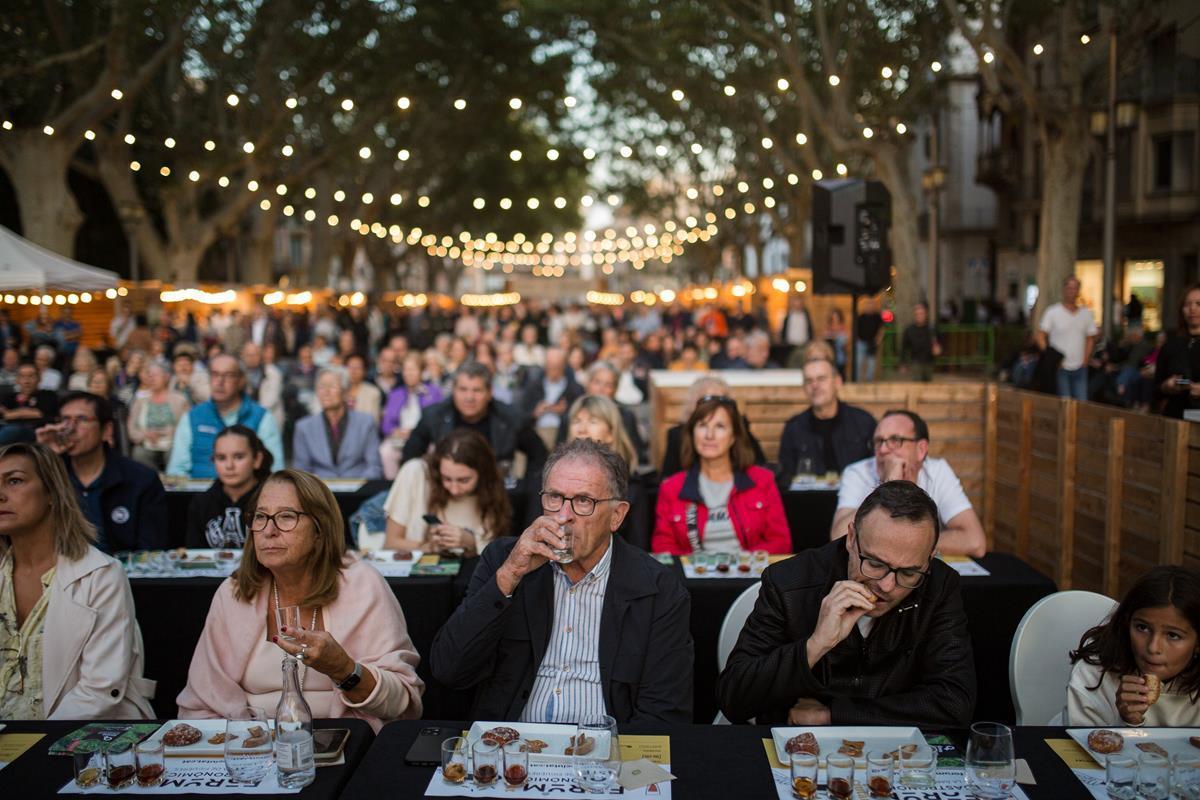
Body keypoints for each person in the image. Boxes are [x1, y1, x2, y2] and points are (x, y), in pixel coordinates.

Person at [430, 438, 693, 723]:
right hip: (515, 748)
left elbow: (665, 713)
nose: (564, 516)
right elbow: (449, 670)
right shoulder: (504, 561)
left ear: (616, 516)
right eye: (554, 497)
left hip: (605, 752)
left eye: (584, 501)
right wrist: (508, 577)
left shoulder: (658, 589)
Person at [176, 469, 424, 731]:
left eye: (286, 517)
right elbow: (202, 703)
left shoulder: (362, 586)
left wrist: (344, 669)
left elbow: (402, 703)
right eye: (260, 517)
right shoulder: (234, 593)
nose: (268, 530)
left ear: (320, 529)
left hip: (347, 748)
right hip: (253, 749)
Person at [718, 481, 976, 726]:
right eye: (874, 564)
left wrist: (832, 715)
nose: (886, 586)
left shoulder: (939, 586)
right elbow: (734, 698)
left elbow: (955, 703)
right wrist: (815, 645)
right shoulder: (789, 582)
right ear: (851, 538)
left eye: (908, 573)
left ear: (930, 558)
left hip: (896, 755)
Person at [0, 442, 155, 719]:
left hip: (71, 743)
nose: (1, 494)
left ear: (52, 492)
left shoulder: (101, 574)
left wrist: (31, 745)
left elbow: (99, 690)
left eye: (14, 481)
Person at [830, 410, 987, 558]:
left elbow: (975, 542)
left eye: (895, 440)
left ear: (921, 449)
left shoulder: (937, 471)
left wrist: (912, 548)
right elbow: (839, 538)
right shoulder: (857, 472)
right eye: (879, 441)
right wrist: (887, 485)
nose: (883, 449)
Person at [653, 395, 789, 555]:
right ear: (692, 433)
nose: (709, 435)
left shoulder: (762, 480)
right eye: (702, 425)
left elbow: (781, 542)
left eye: (720, 426)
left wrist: (743, 562)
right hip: (692, 577)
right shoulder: (671, 488)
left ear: (733, 437)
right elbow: (662, 547)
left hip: (751, 576)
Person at [1066, 565, 1200, 726]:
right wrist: (1128, 722)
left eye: (1173, 635)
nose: (1153, 647)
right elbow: (1079, 746)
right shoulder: (1094, 674)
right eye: (1142, 628)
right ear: (1126, 623)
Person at [35, 392, 168, 553]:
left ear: (106, 430)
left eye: (81, 419)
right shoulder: (48, 475)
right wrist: (42, 456)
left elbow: (150, 549)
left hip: (119, 574)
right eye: (65, 420)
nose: (69, 429)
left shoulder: (140, 479)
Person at [400, 361, 548, 481]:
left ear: (489, 393)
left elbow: (539, 455)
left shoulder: (509, 417)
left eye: (477, 390)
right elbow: (410, 455)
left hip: (494, 494)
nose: (469, 398)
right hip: (447, 491)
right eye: (463, 389)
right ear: (454, 391)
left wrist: (528, 488)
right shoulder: (434, 415)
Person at [383, 429, 511, 556]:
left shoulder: (491, 490)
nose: (454, 490)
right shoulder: (415, 472)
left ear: (482, 473)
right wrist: (429, 547)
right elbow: (391, 543)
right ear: (438, 471)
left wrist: (471, 542)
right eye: (447, 479)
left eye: (464, 480)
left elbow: (496, 551)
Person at [166, 355, 285, 479]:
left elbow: (275, 472)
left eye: (228, 375)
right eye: (215, 374)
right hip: (199, 494)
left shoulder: (262, 418)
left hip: (249, 496)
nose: (220, 381)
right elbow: (176, 471)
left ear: (241, 381)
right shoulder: (192, 417)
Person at [777, 358, 876, 484]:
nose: (814, 386)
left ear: (838, 382)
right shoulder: (794, 428)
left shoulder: (863, 422)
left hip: (856, 499)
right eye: (809, 381)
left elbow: (875, 469)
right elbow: (786, 476)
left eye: (821, 379)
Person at [660, 376, 767, 478]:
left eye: (721, 401)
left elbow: (758, 464)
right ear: (693, 405)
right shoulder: (677, 436)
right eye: (707, 401)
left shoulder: (741, 430)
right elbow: (668, 477)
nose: (715, 408)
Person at [186, 426, 274, 548]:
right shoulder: (201, 503)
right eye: (221, 458)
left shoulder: (274, 500)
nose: (229, 465)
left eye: (238, 457)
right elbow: (194, 554)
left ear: (257, 459)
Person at [292, 370, 382, 480]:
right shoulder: (303, 427)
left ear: (345, 392)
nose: (326, 392)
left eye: (332, 386)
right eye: (321, 387)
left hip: (359, 491)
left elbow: (374, 467)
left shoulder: (366, 422)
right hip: (320, 493)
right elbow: (301, 469)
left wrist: (360, 485)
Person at [379, 353, 444, 479]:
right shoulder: (395, 394)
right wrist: (395, 431)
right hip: (400, 438)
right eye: (406, 370)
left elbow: (436, 420)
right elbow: (386, 423)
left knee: (433, 450)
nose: (409, 373)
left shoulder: (432, 391)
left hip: (425, 437)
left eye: (413, 370)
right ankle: (393, 486)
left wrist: (415, 432)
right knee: (385, 451)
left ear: (422, 372)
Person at [1038, 275, 1098, 401]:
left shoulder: (1086, 314)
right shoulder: (1052, 312)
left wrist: (1085, 360)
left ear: (1079, 291)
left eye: (1075, 288)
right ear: (1064, 290)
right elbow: (1040, 335)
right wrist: (1051, 357)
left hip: (1080, 368)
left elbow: (1091, 337)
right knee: (1065, 406)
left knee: (1082, 403)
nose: (1072, 291)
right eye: (1069, 288)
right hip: (1060, 368)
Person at [127, 362, 190, 473]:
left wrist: (166, 433)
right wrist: (145, 434)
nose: (152, 379)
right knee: (138, 453)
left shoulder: (180, 400)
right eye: (149, 376)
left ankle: (171, 482)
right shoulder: (140, 401)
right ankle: (157, 481)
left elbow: (186, 426)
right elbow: (131, 429)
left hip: (172, 442)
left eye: (155, 375)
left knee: (175, 452)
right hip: (147, 443)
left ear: (166, 377)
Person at [520, 347, 584, 451]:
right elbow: (520, 415)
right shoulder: (533, 385)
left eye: (556, 366)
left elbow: (580, 417)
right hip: (535, 432)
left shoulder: (575, 389)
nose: (552, 370)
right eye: (549, 366)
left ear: (564, 366)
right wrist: (535, 413)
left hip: (562, 435)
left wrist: (564, 412)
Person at [1155, 283, 1200, 419]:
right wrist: (1167, 386)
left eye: (1198, 304)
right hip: (1176, 418)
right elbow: (1156, 388)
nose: (1192, 309)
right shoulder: (1170, 344)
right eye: (1187, 304)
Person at [0, 361, 60, 429]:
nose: (27, 381)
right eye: (22, 376)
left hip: (36, 431)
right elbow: (3, 415)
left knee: (13, 429)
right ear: (17, 380)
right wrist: (29, 412)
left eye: (31, 376)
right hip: (8, 431)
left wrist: (13, 413)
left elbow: (43, 415)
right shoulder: (9, 397)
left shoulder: (49, 395)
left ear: (39, 378)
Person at [241, 342, 284, 427]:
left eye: (255, 355)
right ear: (243, 356)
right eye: (248, 355)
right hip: (244, 419)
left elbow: (271, 401)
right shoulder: (238, 373)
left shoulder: (273, 373)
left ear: (260, 356)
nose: (251, 358)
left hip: (268, 417)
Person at [900, 302, 942, 382]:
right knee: (917, 386)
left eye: (921, 313)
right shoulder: (909, 330)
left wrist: (939, 349)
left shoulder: (932, 328)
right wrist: (903, 363)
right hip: (916, 362)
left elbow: (939, 342)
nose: (919, 316)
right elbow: (904, 348)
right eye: (917, 314)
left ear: (926, 314)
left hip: (930, 362)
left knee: (929, 387)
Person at [344, 353, 383, 424]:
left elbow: (374, 421)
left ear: (364, 371)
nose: (353, 371)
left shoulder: (373, 392)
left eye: (357, 368)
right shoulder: (339, 390)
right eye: (350, 367)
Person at [855, 297, 886, 382]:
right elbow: (856, 330)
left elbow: (882, 329)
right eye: (868, 303)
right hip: (861, 343)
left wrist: (879, 339)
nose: (870, 305)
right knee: (858, 364)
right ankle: (856, 382)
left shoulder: (877, 316)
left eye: (872, 303)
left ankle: (869, 383)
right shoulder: (861, 316)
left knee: (871, 365)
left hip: (872, 344)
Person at [778, 293, 813, 366]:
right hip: (790, 345)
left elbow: (810, 329)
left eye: (799, 302)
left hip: (803, 345)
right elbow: (784, 330)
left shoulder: (805, 315)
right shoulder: (788, 316)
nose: (797, 304)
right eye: (795, 302)